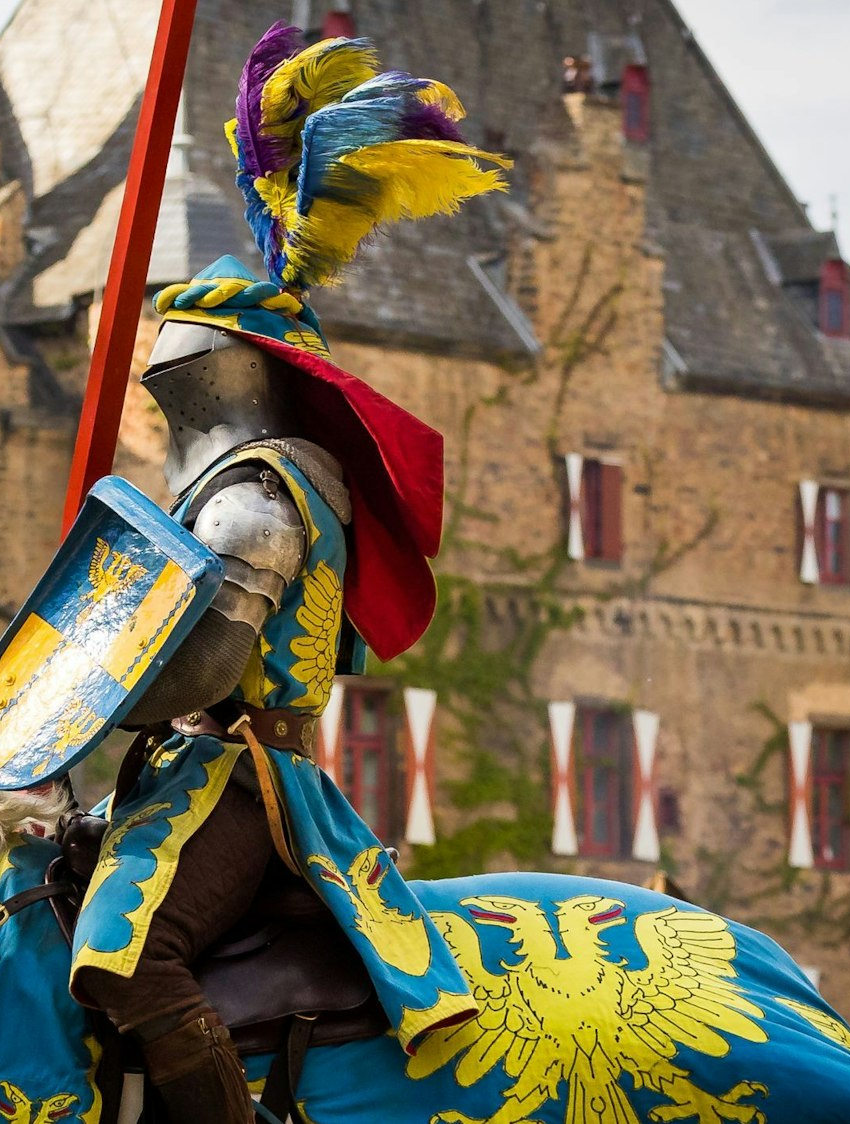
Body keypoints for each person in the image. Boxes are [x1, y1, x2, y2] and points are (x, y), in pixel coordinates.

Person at [62, 23, 513, 1123]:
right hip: (182, 770)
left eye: (177, 356)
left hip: (242, 778)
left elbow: (203, 663)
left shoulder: (255, 502)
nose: (160, 374)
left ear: (229, 367)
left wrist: (76, 699)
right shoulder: (217, 491)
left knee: (129, 964)